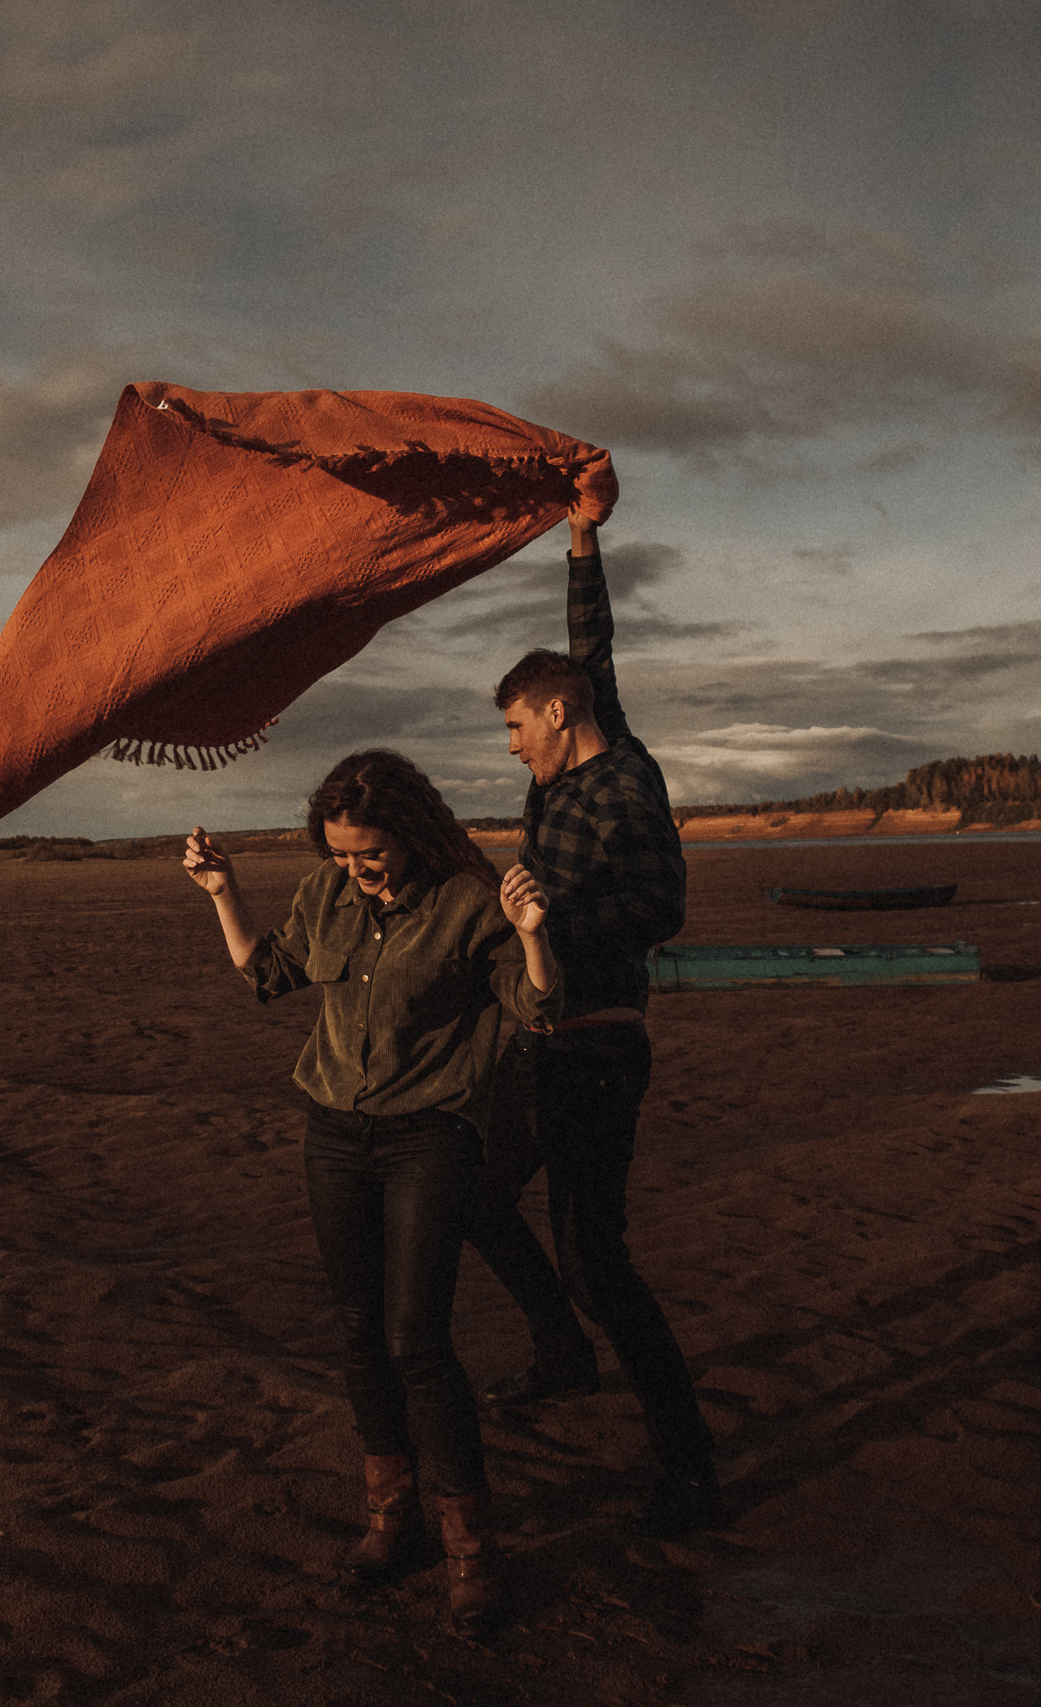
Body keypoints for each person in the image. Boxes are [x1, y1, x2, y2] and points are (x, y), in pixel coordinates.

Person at [183, 749, 560, 1636]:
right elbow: (267, 972)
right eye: (343, 853)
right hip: (334, 1135)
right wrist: (222, 891)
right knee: (358, 1333)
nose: (358, 868)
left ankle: (472, 1550)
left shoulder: (466, 902)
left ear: (412, 834)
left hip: (430, 1135)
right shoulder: (325, 892)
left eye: (372, 852)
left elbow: (536, 1006)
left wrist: (534, 932)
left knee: (415, 1340)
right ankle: (393, 1520)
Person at [465, 510, 721, 1538]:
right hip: (542, 1041)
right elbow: (592, 643)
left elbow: (662, 907)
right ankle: (562, 1352)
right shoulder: (583, 740)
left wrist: (547, 923)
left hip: (599, 1047)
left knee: (596, 1266)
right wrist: (580, 535)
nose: (511, 745)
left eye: (516, 727)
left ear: (557, 714)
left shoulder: (623, 786)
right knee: (472, 1192)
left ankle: (691, 1467)